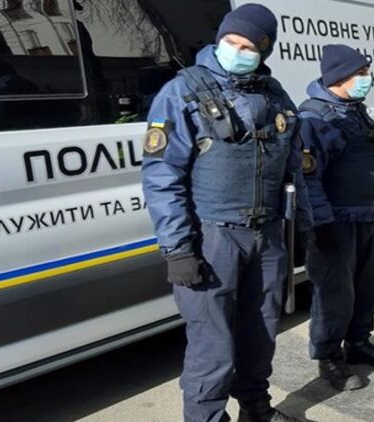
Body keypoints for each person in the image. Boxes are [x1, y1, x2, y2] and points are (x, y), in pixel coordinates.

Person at [141, 4, 311, 422]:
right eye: (231, 42)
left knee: (262, 331)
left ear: (264, 50)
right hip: (212, 237)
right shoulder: (182, 92)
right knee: (212, 345)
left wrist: (304, 224)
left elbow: (293, 167)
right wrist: (178, 248)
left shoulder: (275, 95)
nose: (237, 51)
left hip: (267, 234)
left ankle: (256, 407)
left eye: (249, 46)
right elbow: (162, 177)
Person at [299, 44, 374, 391]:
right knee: (334, 293)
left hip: (365, 215)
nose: (367, 78)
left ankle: (358, 342)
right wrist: (321, 224)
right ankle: (329, 358)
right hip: (335, 221)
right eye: (361, 73)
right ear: (339, 76)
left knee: (366, 286)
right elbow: (309, 180)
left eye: (366, 72)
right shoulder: (314, 118)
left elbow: (372, 163)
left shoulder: (356, 111)